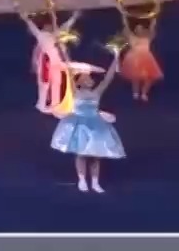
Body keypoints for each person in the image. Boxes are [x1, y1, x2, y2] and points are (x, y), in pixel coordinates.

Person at [51, 52, 125, 193]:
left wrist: (116, 58)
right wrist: (65, 55)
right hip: (79, 124)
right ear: (79, 81)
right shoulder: (75, 91)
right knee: (81, 153)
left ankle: (95, 182)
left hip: (95, 124)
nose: (89, 79)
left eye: (90, 77)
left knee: (96, 155)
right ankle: (82, 180)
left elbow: (108, 78)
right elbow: (69, 72)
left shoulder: (97, 92)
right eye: (85, 77)